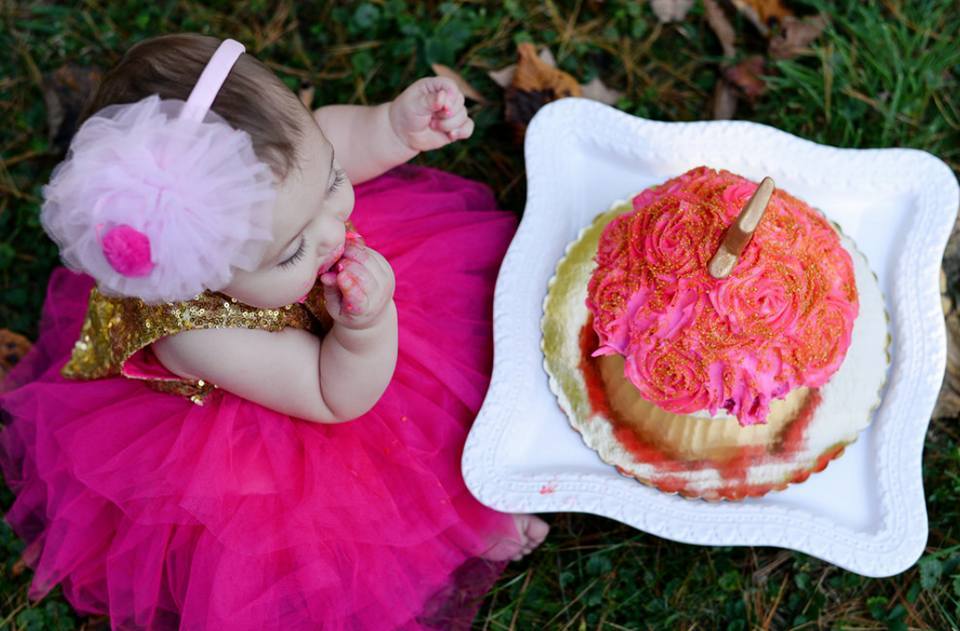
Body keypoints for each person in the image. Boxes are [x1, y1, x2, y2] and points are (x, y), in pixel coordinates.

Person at [0, 34, 548, 630]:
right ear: (202, 272)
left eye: (331, 183)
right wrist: (367, 325)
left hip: (318, 331)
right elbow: (332, 395)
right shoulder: (198, 336)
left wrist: (391, 128)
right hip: (294, 393)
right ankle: (469, 520)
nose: (334, 233)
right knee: (385, 466)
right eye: (292, 249)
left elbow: (331, 137)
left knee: (483, 338)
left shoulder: (282, 180)